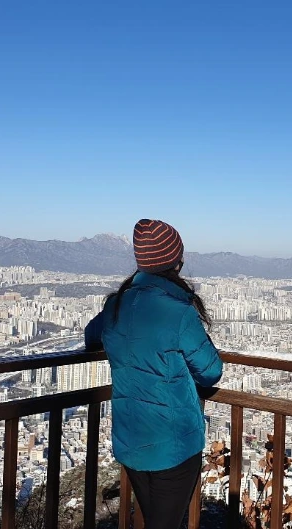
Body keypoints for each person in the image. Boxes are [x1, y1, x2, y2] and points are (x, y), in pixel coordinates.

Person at [84, 218, 223, 528]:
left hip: (131, 439)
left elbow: (91, 336)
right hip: (173, 444)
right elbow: (211, 371)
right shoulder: (178, 310)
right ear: (176, 262)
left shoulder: (116, 305)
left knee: (152, 519)